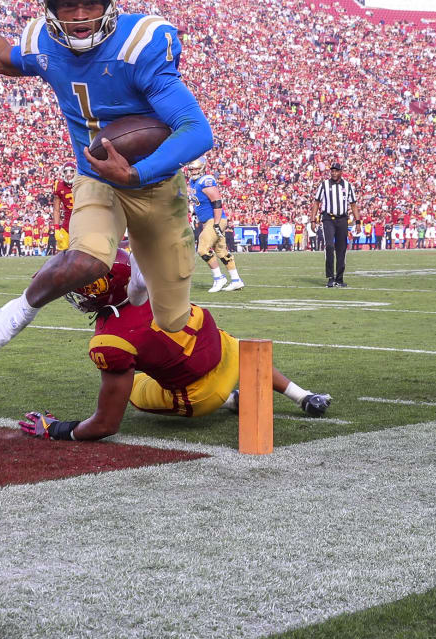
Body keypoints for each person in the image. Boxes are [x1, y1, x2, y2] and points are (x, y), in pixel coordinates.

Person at [0, 0, 212, 363]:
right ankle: (16, 313)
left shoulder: (139, 46)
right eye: (67, 6)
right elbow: (0, 56)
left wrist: (138, 173)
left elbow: (197, 130)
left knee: (173, 320)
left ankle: (147, 278)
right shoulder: (44, 43)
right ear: (50, 8)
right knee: (86, 260)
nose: (80, 15)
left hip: (157, 184)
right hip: (98, 180)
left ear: (110, 1)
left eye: (91, 3)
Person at [17, 250, 327, 441]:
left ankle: (227, 401)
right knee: (239, 347)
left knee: (135, 390)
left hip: (199, 396)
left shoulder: (109, 339)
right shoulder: (153, 273)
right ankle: (305, 397)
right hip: (227, 351)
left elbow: (105, 425)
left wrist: (56, 429)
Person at [187, 158, 244, 293]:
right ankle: (236, 280)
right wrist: (195, 212)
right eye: (191, 169)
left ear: (201, 168)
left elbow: (217, 201)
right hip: (208, 220)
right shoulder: (193, 182)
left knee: (202, 249)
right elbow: (200, 201)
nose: (193, 171)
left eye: (195, 169)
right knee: (221, 251)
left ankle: (219, 278)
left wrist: (217, 223)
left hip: (215, 220)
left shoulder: (206, 180)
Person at [315, 160, 356, 288]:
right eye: (332, 171)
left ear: (341, 172)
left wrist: (358, 221)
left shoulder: (348, 186)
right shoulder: (324, 185)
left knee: (341, 248)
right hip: (328, 218)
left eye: (336, 170)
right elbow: (316, 202)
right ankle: (330, 277)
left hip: (343, 219)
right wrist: (312, 219)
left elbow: (353, 204)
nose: (333, 173)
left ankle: (339, 277)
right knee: (329, 246)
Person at [52, 164, 75, 251]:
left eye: (71, 171)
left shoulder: (82, 183)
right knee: (61, 254)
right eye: (66, 172)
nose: (69, 174)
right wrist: (56, 228)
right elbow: (56, 210)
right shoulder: (59, 186)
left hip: (82, 223)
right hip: (67, 225)